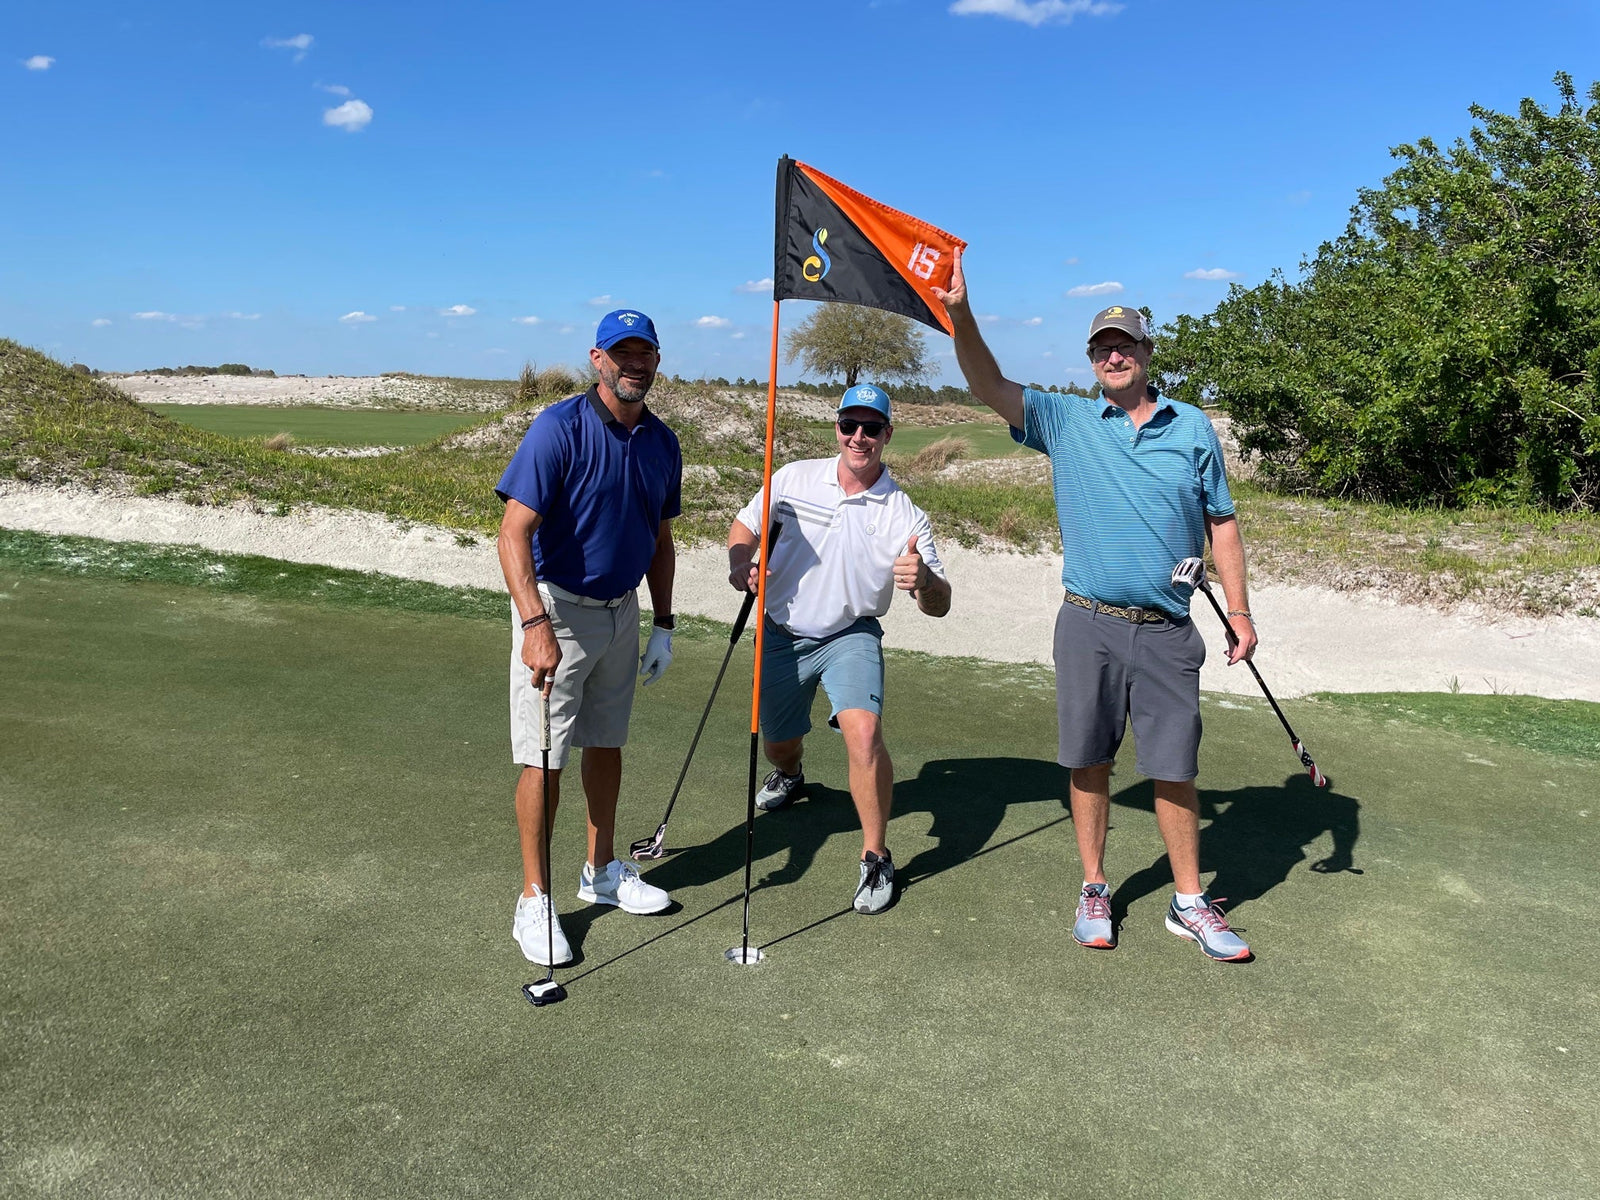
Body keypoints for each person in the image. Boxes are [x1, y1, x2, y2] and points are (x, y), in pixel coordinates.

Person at [933, 254, 1260, 962]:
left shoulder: (1191, 427)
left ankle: (1188, 901)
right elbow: (987, 384)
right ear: (1091, 361)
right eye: (1102, 348)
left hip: (1168, 629)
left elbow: (1223, 523)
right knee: (1088, 761)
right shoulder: (1067, 420)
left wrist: (1239, 612)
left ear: (1147, 352)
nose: (1114, 356)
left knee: (1174, 768)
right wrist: (961, 314)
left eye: (1125, 345)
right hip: (1089, 623)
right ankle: (1094, 887)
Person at [495, 309, 681, 965]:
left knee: (606, 744)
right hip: (558, 610)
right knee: (544, 758)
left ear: (656, 361)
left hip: (622, 612)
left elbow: (660, 539)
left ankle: (600, 872)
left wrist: (663, 623)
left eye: (644, 353)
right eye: (620, 353)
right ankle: (534, 898)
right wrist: (534, 624)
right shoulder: (559, 427)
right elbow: (513, 532)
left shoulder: (662, 442)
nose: (634, 364)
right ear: (597, 359)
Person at [726, 383, 953, 914]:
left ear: (887, 434)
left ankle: (876, 855)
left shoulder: (905, 514)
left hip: (852, 633)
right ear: (837, 428)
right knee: (780, 743)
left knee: (865, 733)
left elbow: (940, 605)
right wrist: (741, 565)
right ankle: (791, 773)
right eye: (850, 425)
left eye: (871, 428)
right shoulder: (793, 478)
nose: (859, 437)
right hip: (781, 633)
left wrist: (923, 580)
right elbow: (744, 526)